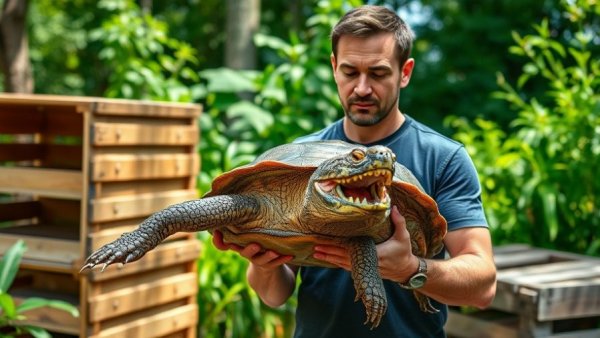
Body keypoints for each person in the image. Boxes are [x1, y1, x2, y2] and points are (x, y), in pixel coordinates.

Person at [213, 4, 497, 337]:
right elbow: (275, 294)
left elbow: (482, 284)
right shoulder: (299, 155)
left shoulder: (443, 158)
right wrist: (262, 264)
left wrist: (411, 269)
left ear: (404, 72)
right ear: (334, 68)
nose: (361, 88)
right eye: (350, 73)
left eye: (377, 73)